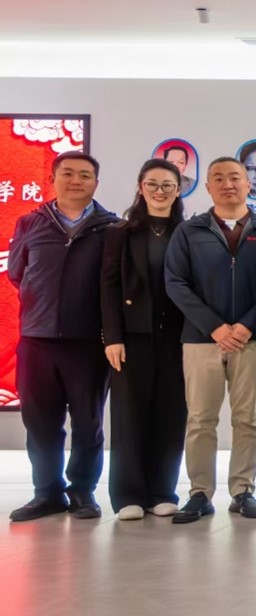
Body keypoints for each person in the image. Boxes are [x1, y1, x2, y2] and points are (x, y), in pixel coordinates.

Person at [6, 151, 119, 522]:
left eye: (84, 175)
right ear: (53, 179)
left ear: (96, 183)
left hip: (88, 342)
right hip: (36, 340)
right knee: (40, 423)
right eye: (67, 173)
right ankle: (47, 493)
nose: (75, 181)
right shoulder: (30, 223)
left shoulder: (111, 229)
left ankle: (83, 491)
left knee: (88, 424)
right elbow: (18, 273)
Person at [164, 156, 256, 524]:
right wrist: (214, 326)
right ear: (208, 187)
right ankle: (200, 493)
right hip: (201, 340)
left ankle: (243, 491)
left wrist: (247, 325)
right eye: (219, 179)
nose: (228, 184)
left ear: (248, 184)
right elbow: (176, 283)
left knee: (248, 419)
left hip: (252, 340)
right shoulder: (189, 231)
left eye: (235, 178)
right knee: (200, 419)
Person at [100, 159, 187, 521]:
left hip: (177, 337)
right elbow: (108, 286)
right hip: (131, 338)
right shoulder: (120, 232)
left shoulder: (187, 231)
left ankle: (162, 491)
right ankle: (128, 495)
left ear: (178, 190)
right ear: (140, 187)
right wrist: (112, 337)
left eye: (167, 185)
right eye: (152, 184)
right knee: (128, 415)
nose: (159, 191)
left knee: (171, 413)